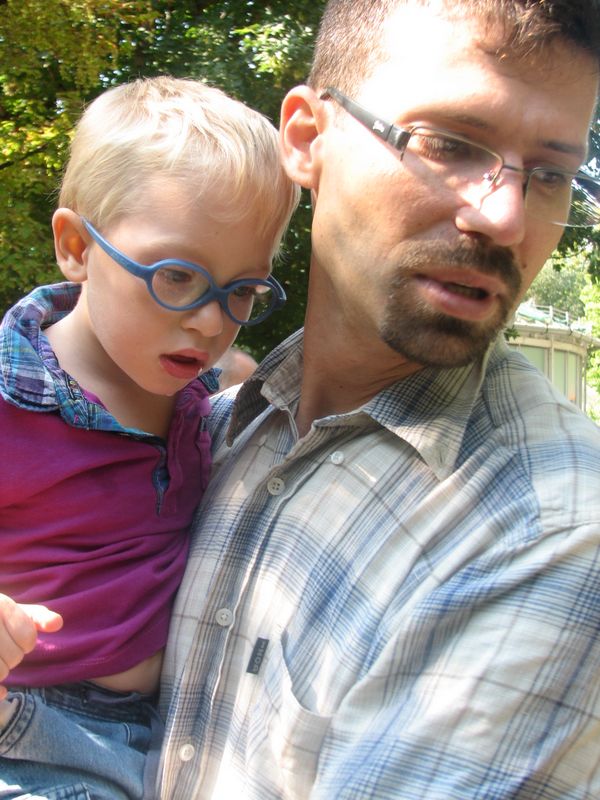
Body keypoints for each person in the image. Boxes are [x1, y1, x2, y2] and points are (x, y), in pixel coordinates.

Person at [156, 1, 600, 798]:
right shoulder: (206, 435)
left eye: (550, 175)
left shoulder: (550, 532)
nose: (504, 217)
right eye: (450, 144)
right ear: (307, 138)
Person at [0, 75, 299, 799]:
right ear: (77, 246)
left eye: (242, 291)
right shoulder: (13, 400)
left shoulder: (198, 400)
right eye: (176, 277)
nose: (209, 320)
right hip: (31, 732)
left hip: (163, 732)